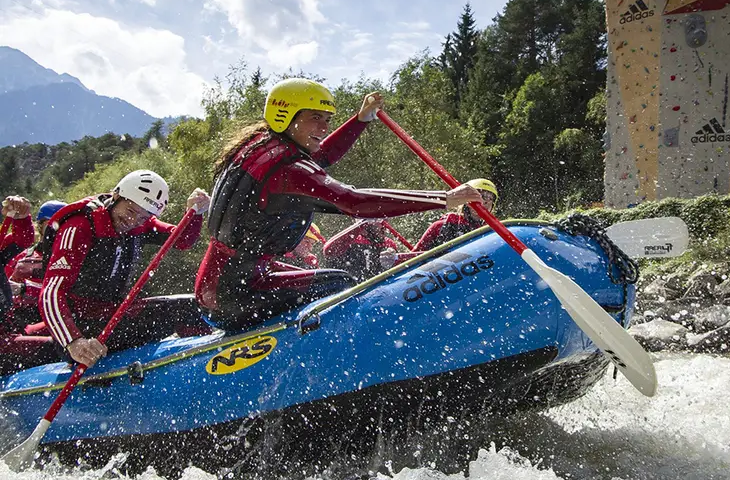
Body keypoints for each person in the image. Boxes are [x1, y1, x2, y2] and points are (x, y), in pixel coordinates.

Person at [195, 78, 487, 330]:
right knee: (341, 284)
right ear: (287, 116)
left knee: (332, 280)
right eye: (315, 118)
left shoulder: (267, 144)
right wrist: (443, 199)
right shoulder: (288, 171)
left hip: (225, 284)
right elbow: (353, 202)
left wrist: (360, 120)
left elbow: (320, 157)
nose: (323, 127)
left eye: (327, 119)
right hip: (232, 295)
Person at [38, 170, 211, 368]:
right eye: (130, 211)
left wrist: (195, 213)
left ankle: (205, 363)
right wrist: (74, 342)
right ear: (117, 196)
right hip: (80, 328)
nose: (132, 221)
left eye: (143, 217)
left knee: (192, 307)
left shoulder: (141, 224)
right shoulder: (79, 227)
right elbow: (51, 294)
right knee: (179, 312)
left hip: (114, 316)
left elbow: (183, 239)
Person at [0, 195, 59, 374]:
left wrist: (20, 217)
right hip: (5, 341)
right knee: (54, 346)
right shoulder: (27, 258)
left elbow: (21, 240)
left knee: (67, 332)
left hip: (14, 328)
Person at [408, 178, 499, 252]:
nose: (486, 201)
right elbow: (413, 257)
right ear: (467, 201)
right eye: (482, 196)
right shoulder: (440, 226)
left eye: (490, 198)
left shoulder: (491, 232)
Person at [5, 199, 66, 284]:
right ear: (40, 226)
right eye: (52, 225)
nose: (56, 231)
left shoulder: (71, 259)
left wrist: (25, 288)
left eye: (64, 226)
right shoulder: (23, 256)